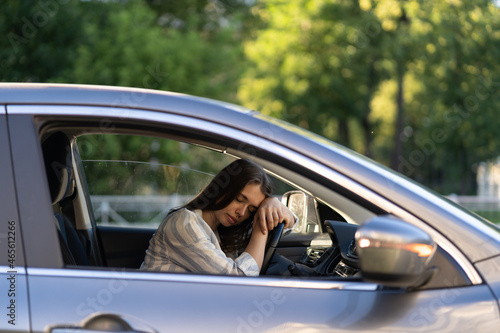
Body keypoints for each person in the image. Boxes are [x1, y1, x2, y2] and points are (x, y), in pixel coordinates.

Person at [140, 158, 296, 276]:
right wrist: (262, 224)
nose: (242, 212)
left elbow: (288, 226)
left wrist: (272, 203)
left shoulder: (222, 231)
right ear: (223, 188)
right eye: (239, 199)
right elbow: (237, 281)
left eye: (251, 209)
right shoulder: (185, 223)